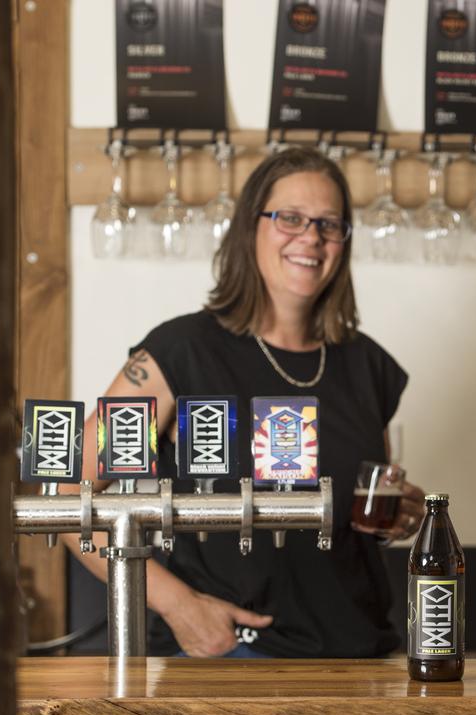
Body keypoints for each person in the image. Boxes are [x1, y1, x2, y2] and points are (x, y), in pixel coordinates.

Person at [62, 147, 424, 658]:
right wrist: (179, 604)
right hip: (232, 657)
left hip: (357, 656)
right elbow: (65, 496)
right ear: (249, 227)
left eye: (329, 224)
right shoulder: (179, 355)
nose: (311, 237)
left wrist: (399, 521)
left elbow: (358, 515)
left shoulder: (366, 366)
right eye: (290, 219)